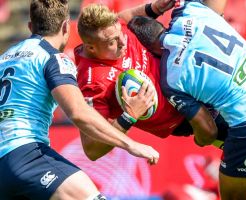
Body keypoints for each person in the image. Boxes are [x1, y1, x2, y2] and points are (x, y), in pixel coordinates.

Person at [127, 0, 246, 199]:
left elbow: (208, 132)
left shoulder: (171, 78)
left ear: (147, 50)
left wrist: (200, 139)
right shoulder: (190, 11)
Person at [0, 0, 160, 199]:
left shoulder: (4, 57)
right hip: (27, 154)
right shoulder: (53, 58)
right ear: (66, 26)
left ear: (30, 27)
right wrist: (131, 144)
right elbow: (78, 112)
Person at [75, 0, 228, 161]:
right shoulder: (92, 84)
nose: (123, 41)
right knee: (245, 140)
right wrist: (129, 116)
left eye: (120, 33)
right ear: (91, 48)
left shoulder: (110, 29)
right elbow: (91, 149)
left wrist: (154, 7)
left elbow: (127, 17)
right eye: (113, 42)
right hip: (183, 116)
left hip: (193, 77)